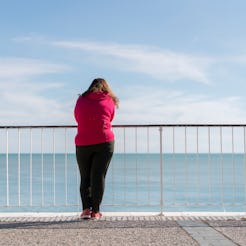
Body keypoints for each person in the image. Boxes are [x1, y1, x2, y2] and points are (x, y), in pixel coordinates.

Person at [74, 78, 119, 220]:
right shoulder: (109, 100)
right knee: (98, 177)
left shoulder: (81, 100)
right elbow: (110, 117)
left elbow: (77, 117)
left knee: (85, 176)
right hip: (104, 141)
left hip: (83, 142)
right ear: (106, 88)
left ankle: (86, 210)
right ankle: (96, 212)